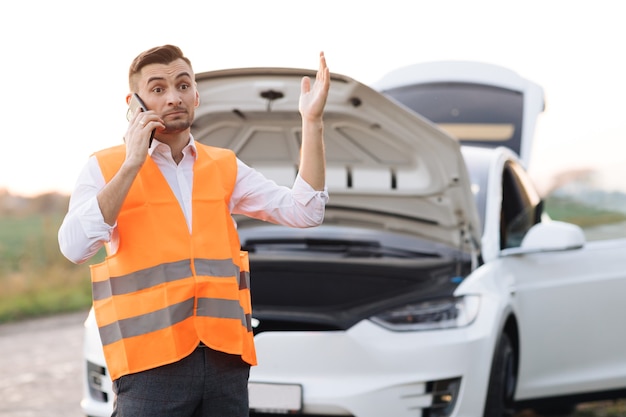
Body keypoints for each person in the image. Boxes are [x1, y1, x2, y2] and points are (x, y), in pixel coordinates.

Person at [58, 44, 330, 417]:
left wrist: (312, 122)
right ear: (134, 103)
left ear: (197, 94)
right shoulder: (104, 168)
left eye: (183, 85)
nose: (174, 97)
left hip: (225, 363)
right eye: (157, 89)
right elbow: (74, 247)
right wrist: (132, 163)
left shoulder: (224, 166)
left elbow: (306, 211)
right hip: (149, 367)